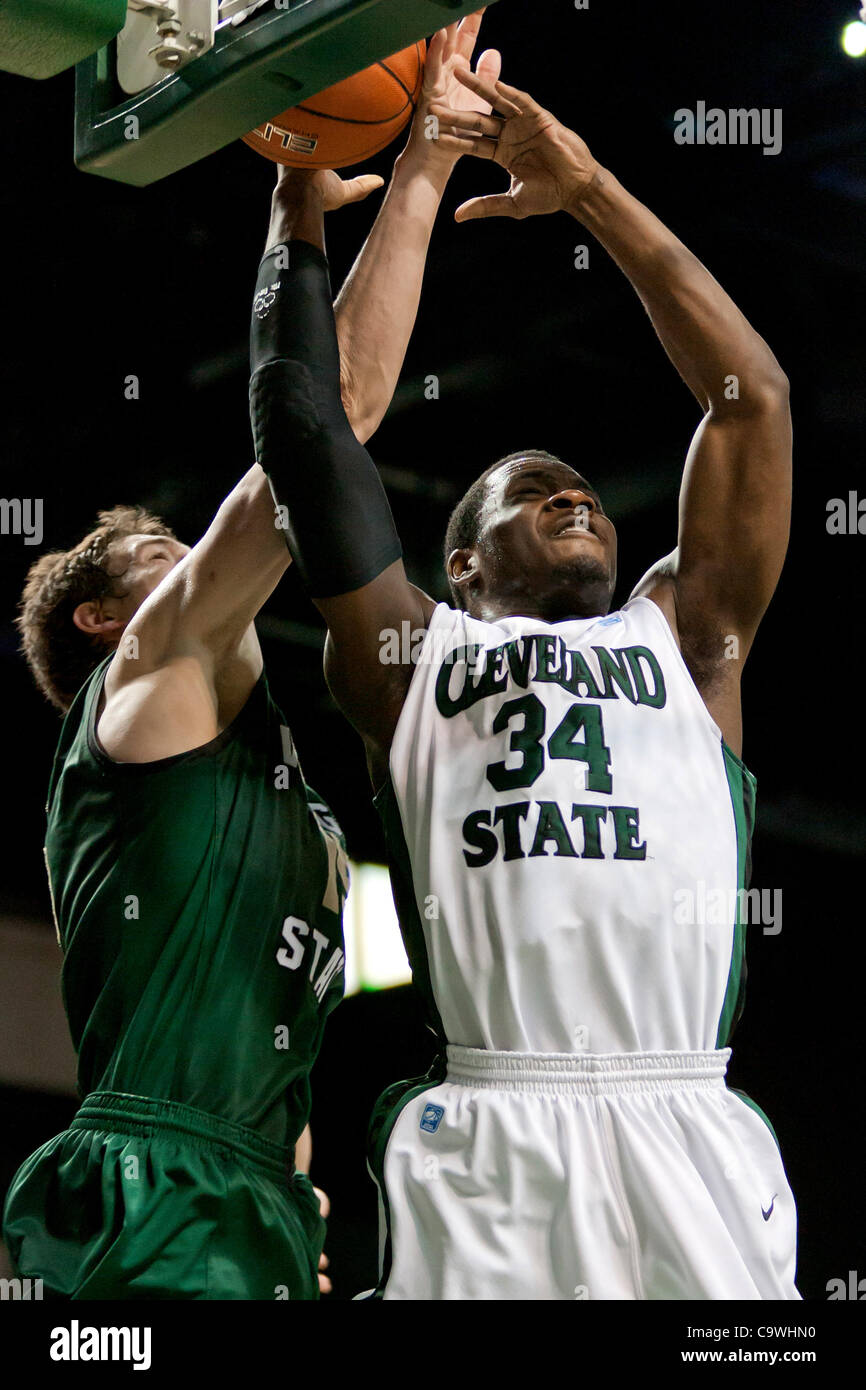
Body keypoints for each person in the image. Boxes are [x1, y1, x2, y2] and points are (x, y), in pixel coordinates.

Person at [248, 59, 798, 1299]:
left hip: (686, 1117)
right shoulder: (410, 655)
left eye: (584, 491)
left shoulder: (684, 637)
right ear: (456, 559)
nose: (571, 495)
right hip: (494, 1121)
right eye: (530, 487)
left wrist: (590, 189)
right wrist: (320, 193)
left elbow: (748, 398)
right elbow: (307, 436)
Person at [2, 14, 500, 1298]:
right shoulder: (151, 675)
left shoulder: (279, 789)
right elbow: (328, 424)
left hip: (255, 1200)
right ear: (108, 621)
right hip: (150, 1187)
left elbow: (273, 1039)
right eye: (158, 551)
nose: (191, 555)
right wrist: (333, 196)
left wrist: (296, 1184)